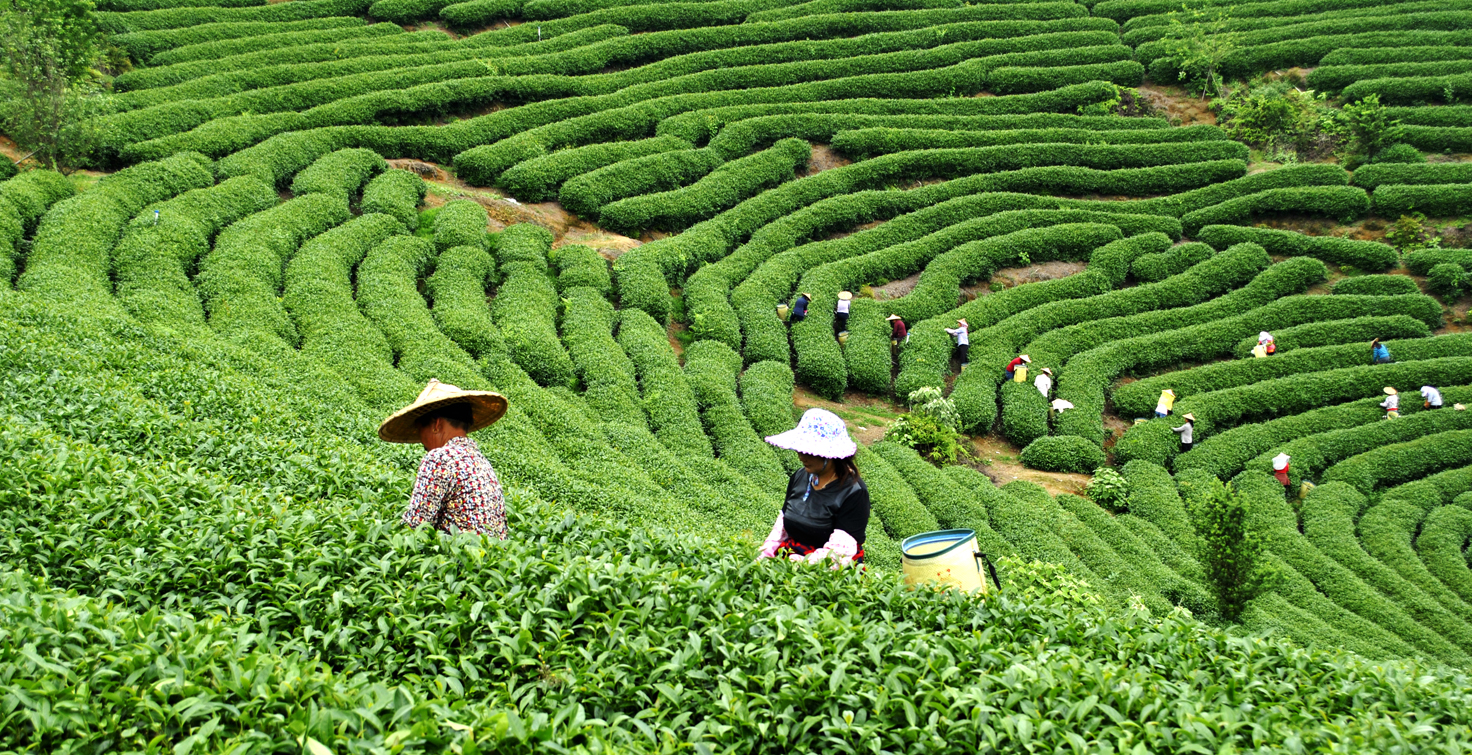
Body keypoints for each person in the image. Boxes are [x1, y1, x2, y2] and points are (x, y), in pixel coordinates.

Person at [379, 379, 510, 539]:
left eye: (420, 429)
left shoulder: (440, 458)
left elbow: (416, 525)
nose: (421, 439)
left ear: (436, 424)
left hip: (457, 558)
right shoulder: (481, 461)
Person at [758, 408, 870, 567]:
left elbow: (839, 552)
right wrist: (763, 555)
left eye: (810, 451)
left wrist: (802, 564)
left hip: (828, 571)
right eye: (800, 449)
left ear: (830, 454)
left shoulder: (854, 492)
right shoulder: (800, 476)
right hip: (790, 559)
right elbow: (780, 529)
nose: (801, 456)